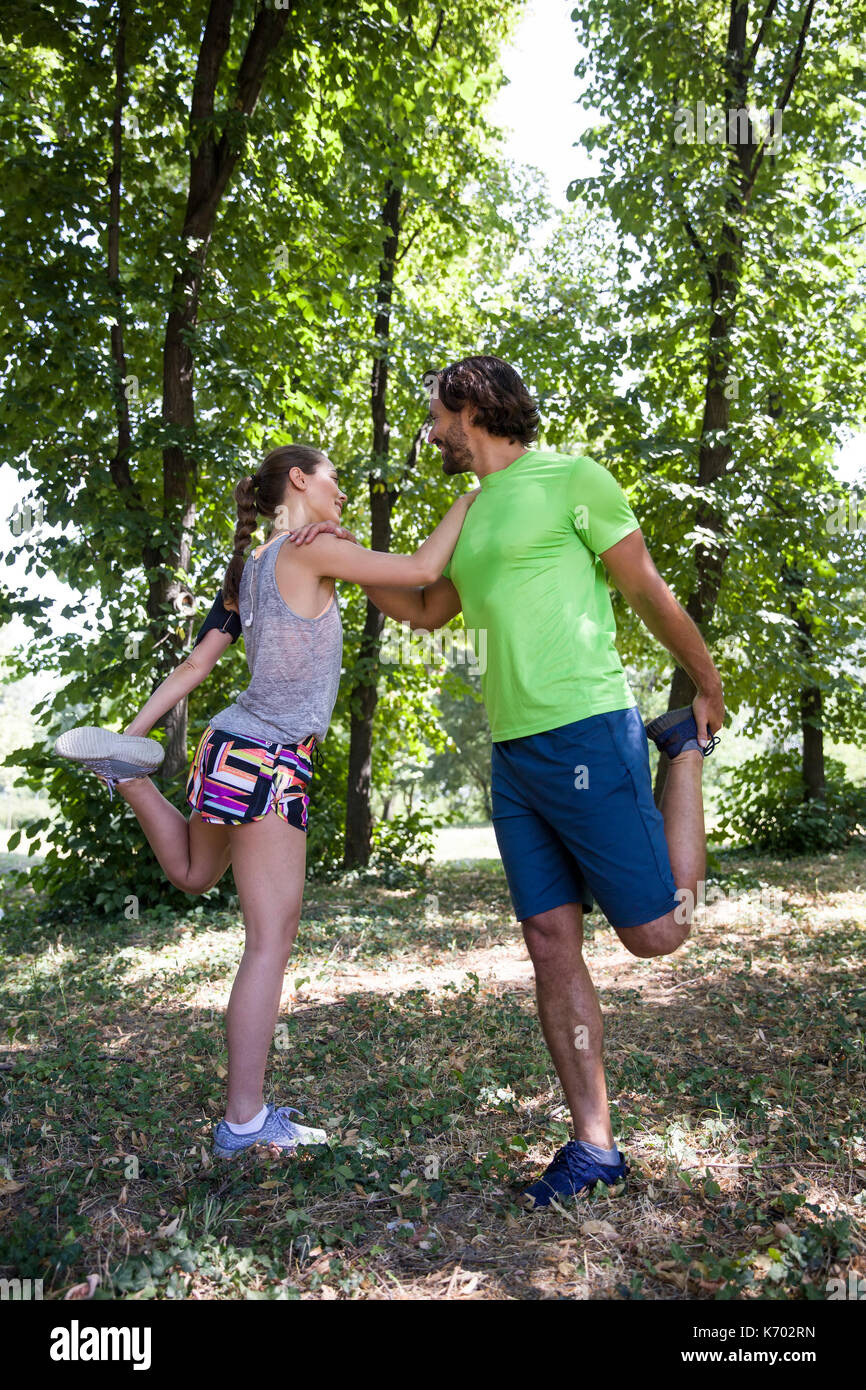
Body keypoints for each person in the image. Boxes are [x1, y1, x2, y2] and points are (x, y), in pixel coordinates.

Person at [287, 357, 725, 1210]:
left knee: (660, 935)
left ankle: (683, 756)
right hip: (515, 755)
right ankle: (594, 1147)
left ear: (472, 407)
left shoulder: (572, 477)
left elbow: (646, 590)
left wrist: (702, 684)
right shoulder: (474, 511)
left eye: (435, 415)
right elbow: (424, 607)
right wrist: (336, 561)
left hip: (588, 727)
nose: (430, 429)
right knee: (549, 943)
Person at [54, 444, 477, 1159]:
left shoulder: (252, 568)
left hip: (230, 744)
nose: (342, 492)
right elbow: (420, 573)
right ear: (301, 481)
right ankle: (244, 1124)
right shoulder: (310, 556)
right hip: (271, 761)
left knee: (193, 875)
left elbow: (195, 664)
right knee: (269, 943)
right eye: (335, 481)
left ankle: (128, 775)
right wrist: (471, 498)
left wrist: (133, 737)